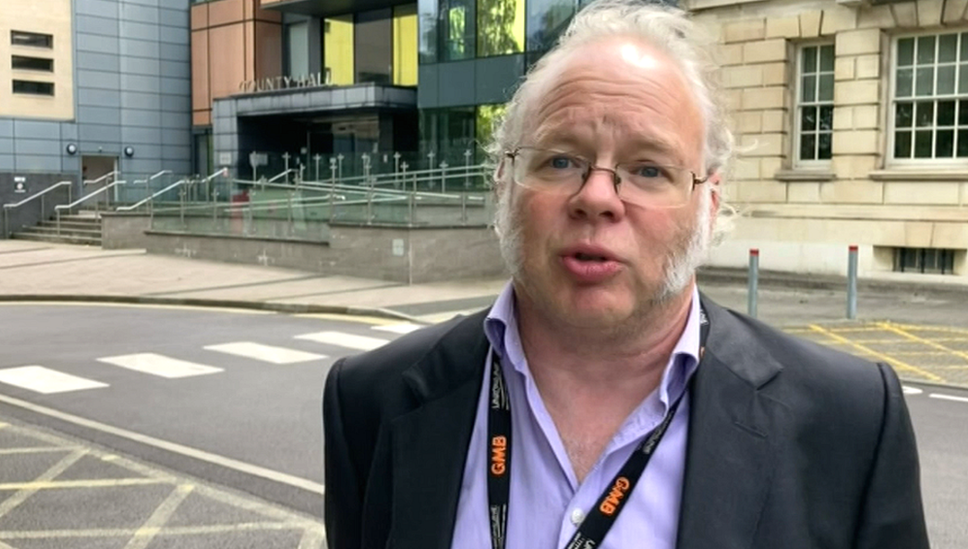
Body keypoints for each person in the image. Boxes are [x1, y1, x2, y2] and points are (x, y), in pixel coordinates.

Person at [322, 2, 930, 548]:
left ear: (709, 202)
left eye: (648, 169)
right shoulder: (370, 403)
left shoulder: (849, 422)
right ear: (503, 181)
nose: (597, 197)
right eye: (560, 160)